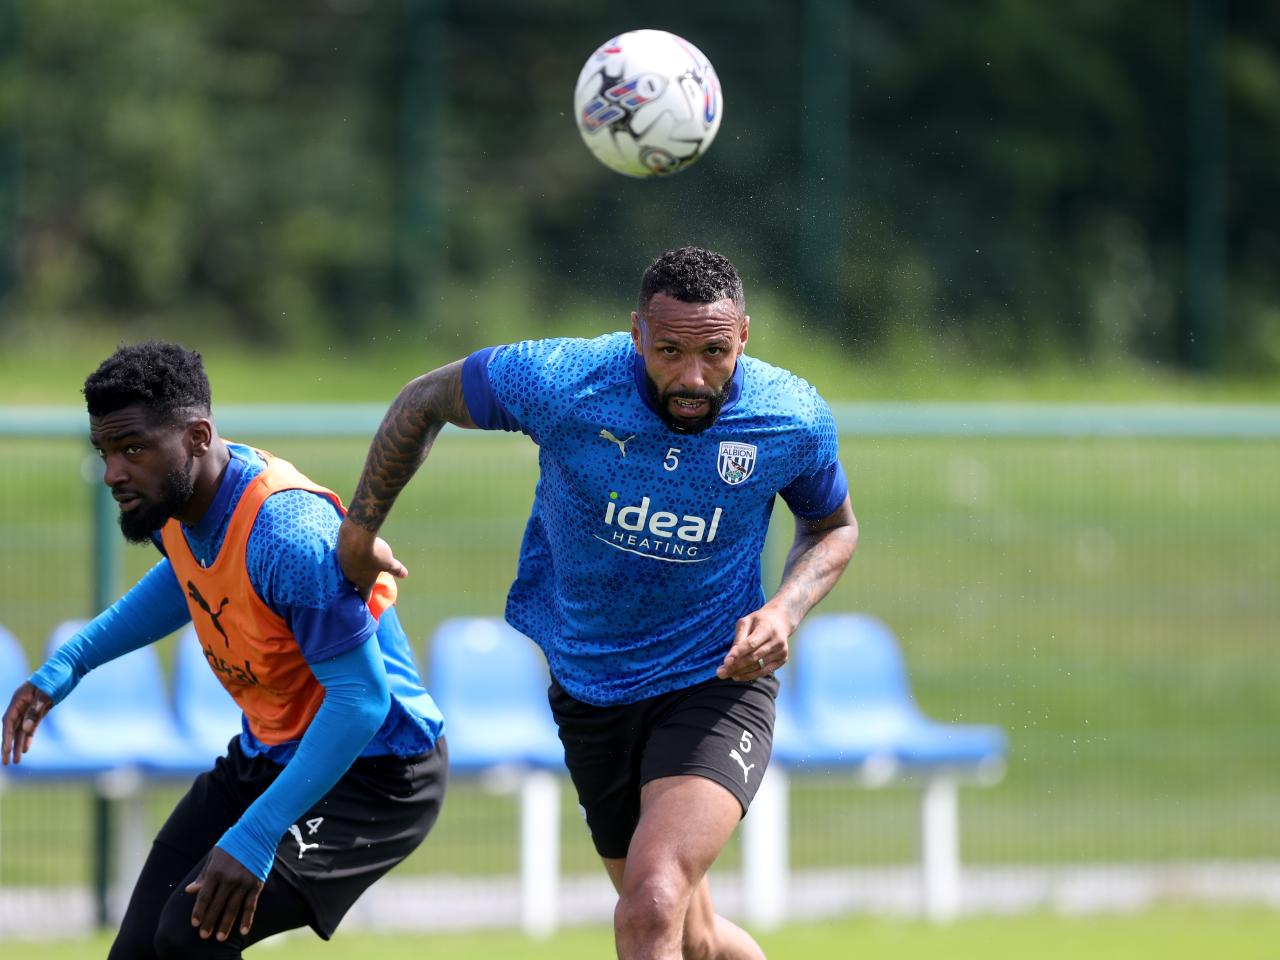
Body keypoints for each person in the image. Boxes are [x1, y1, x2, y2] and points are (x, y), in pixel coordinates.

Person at [338, 245, 858, 960]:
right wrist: (360, 531)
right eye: (670, 351)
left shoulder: (789, 417)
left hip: (715, 680)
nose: (693, 377)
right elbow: (424, 400)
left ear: (743, 336)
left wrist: (784, 611)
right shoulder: (563, 381)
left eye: (713, 352)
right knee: (694, 937)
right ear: (637, 333)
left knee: (652, 903)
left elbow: (832, 528)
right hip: (590, 688)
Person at [1, 342, 447, 959]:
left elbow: (362, 700)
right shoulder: (177, 501)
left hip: (376, 771)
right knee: (138, 952)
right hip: (269, 756)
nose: (112, 474)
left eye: (132, 449)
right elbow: (185, 580)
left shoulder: (287, 535)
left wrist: (257, 835)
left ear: (197, 437)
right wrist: (68, 663)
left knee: (188, 938)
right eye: (104, 452)